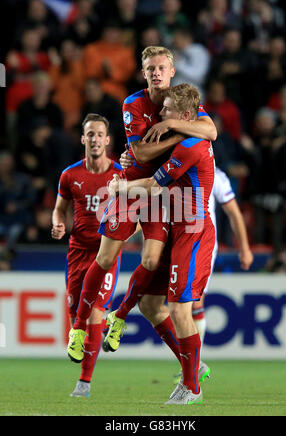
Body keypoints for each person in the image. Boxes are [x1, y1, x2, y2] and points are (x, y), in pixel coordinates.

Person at [67, 46, 217, 379]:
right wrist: (175, 132)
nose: (156, 73)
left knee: (150, 262)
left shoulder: (181, 101)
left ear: (173, 71)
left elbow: (211, 131)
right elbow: (139, 149)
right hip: (134, 184)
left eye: (161, 67)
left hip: (160, 194)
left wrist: (173, 126)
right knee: (105, 258)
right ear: (143, 72)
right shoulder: (133, 103)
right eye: (150, 69)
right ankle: (79, 325)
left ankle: (118, 317)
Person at [108, 83, 215, 405]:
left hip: (192, 233)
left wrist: (118, 188)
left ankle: (191, 386)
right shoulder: (187, 137)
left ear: (183, 115)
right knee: (152, 305)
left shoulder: (191, 146)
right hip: (176, 227)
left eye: (166, 110)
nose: (160, 113)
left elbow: (154, 187)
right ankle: (192, 368)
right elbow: (143, 156)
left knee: (180, 308)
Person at [52, 114, 123, 398]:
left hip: (106, 253)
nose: (95, 139)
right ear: (83, 139)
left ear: (108, 140)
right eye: (90, 134)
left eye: (100, 134)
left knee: (94, 310)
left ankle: (84, 383)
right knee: (75, 317)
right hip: (77, 251)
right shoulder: (70, 175)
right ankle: (99, 333)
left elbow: (137, 212)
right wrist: (58, 222)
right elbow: (60, 208)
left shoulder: (121, 175)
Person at [190, 167, 254, 380]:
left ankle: (193, 364)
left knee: (194, 302)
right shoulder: (175, 167)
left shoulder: (216, 175)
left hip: (203, 245)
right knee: (173, 305)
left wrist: (244, 248)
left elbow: (234, 213)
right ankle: (190, 363)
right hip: (177, 242)